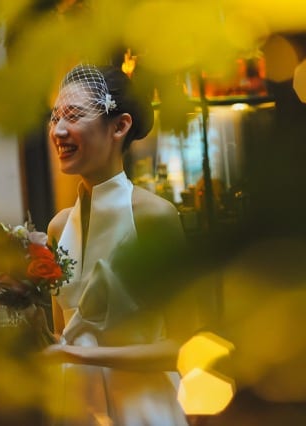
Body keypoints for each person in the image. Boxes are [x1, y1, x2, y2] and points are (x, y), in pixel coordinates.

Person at [43, 63, 195, 425]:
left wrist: (80, 357)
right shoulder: (57, 227)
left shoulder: (155, 217)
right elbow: (61, 336)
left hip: (143, 410)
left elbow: (183, 346)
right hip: (75, 409)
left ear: (120, 125)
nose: (59, 131)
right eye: (54, 118)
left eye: (74, 116)